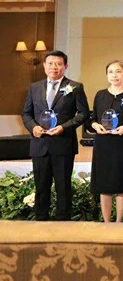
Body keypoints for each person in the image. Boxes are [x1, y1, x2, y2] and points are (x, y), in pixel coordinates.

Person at [21, 50, 90, 221]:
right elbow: (26, 114)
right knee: (41, 186)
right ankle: (40, 218)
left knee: (63, 186)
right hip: (40, 144)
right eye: (50, 63)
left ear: (65, 66)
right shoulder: (34, 87)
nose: (54, 67)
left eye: (58, 64)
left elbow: (83, 114)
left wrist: (63, 127)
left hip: (63, 143)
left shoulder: (75, 87)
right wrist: (33, 128)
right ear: (44, 66)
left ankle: (62, 219)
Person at [89, 60, 123, 222]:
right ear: (107, 75)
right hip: (103, 143)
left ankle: (119, 222)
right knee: (104, 185)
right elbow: (92, 119)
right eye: (111, 72)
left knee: (121, 184)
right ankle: (106, 222)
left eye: (118, 71)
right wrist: (96, 126)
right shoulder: (100, 95)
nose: (114, 75)